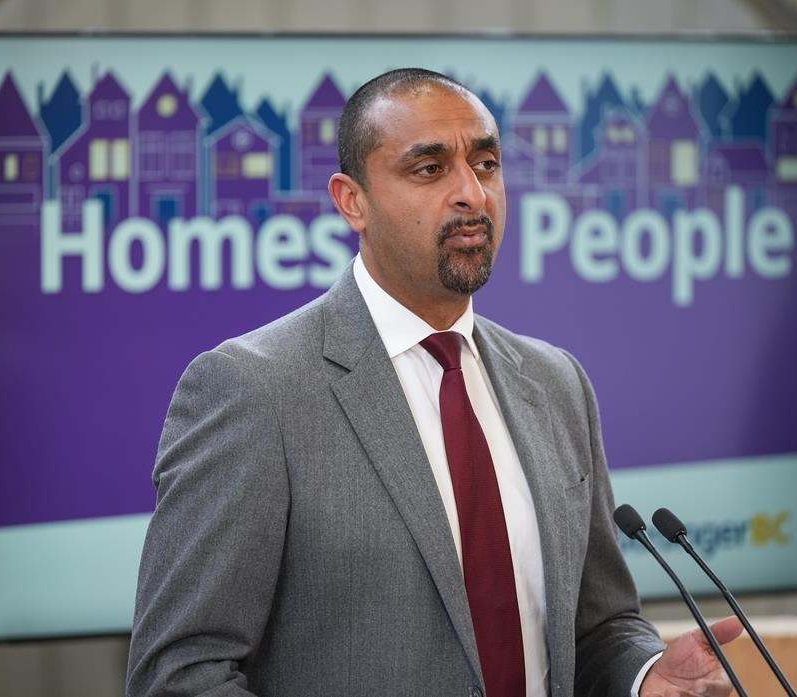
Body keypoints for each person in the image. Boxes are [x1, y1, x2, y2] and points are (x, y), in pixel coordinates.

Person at [126, 68, 742, 697]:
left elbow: (599, 624)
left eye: (487, 163)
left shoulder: (557, 383)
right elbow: (181, 674)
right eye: (429, 169)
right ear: (351, 201)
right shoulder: (254, 389)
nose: (472, 194)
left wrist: (644, 678)